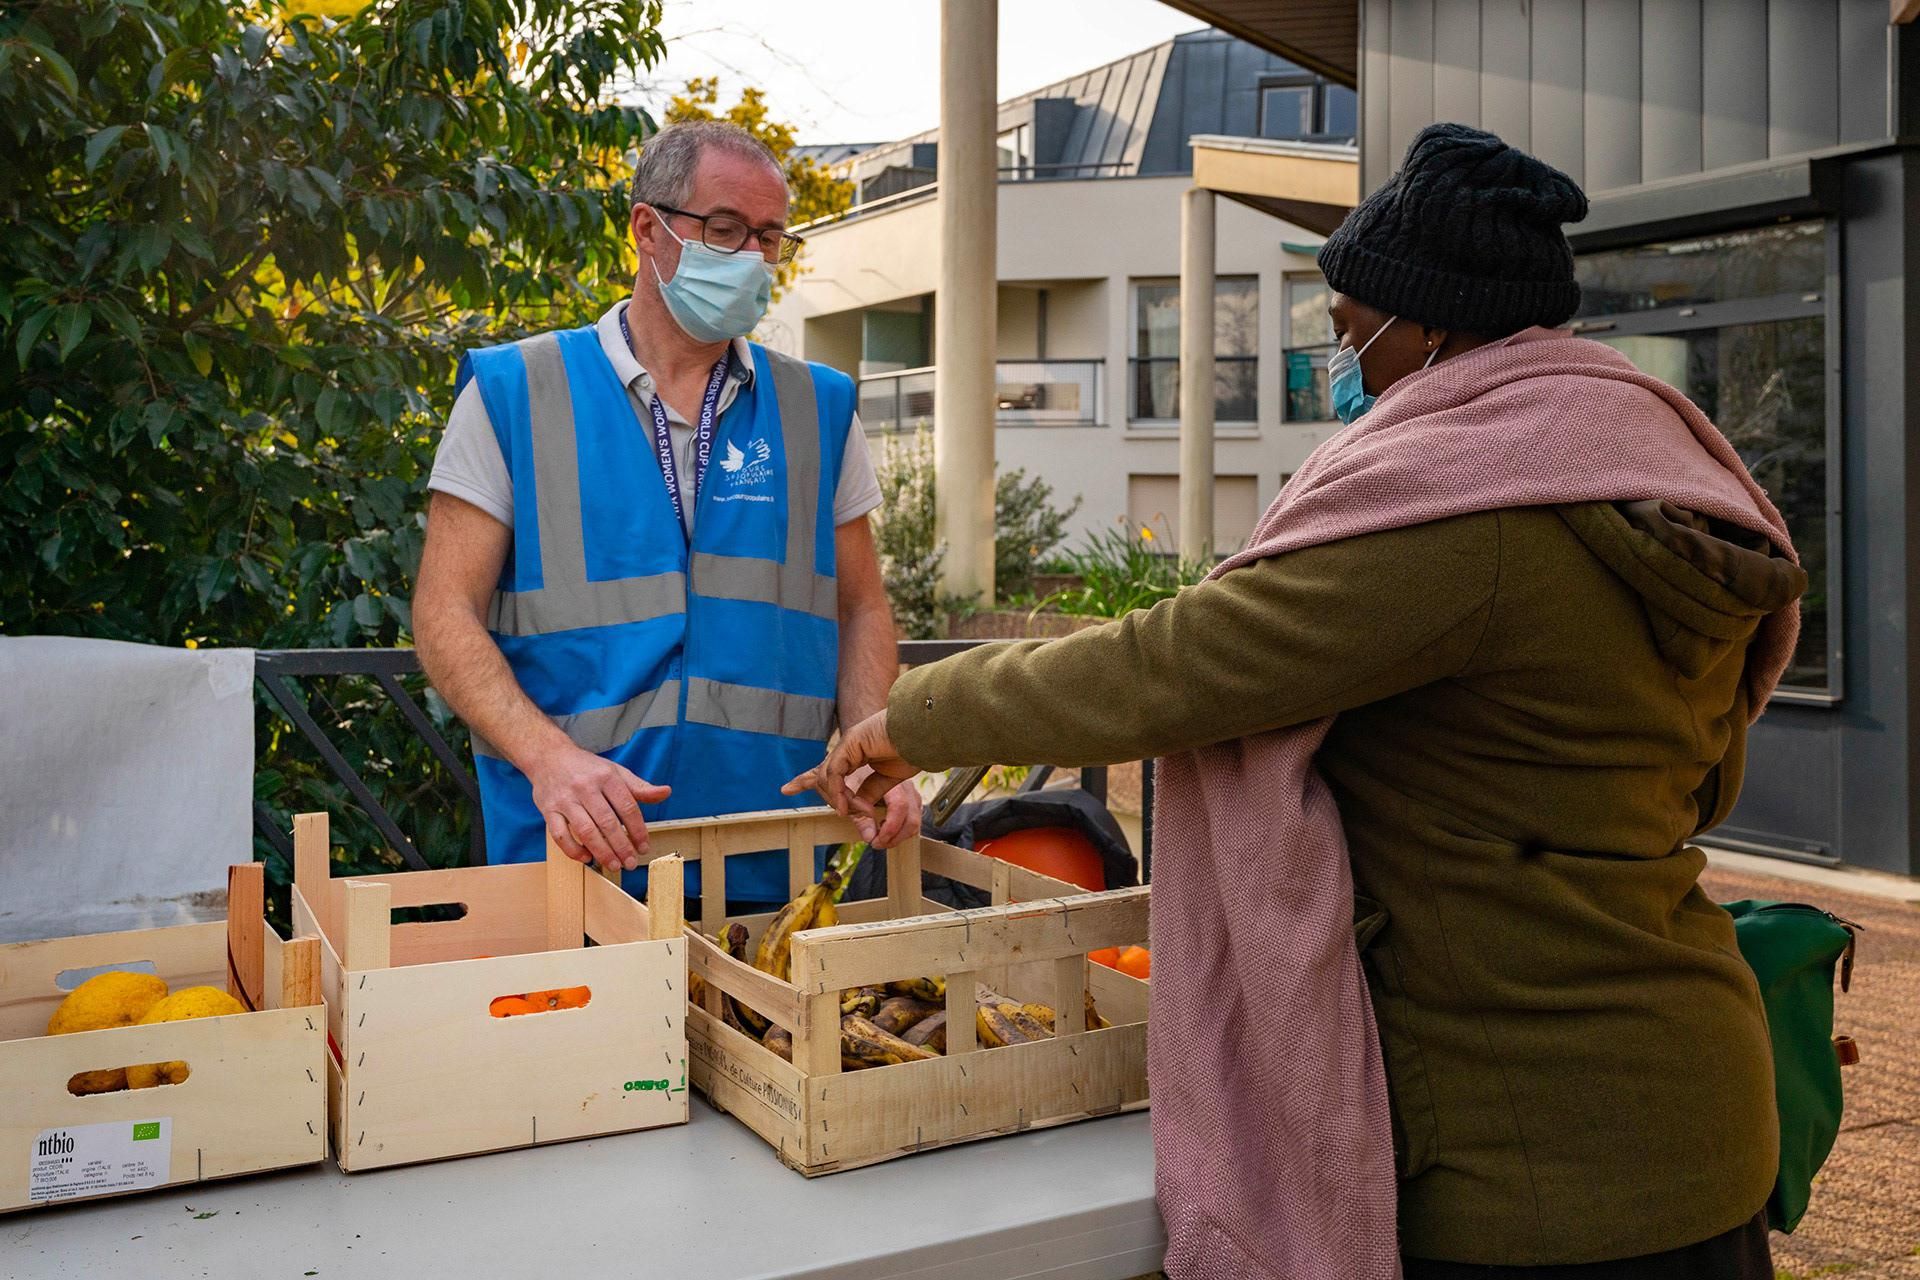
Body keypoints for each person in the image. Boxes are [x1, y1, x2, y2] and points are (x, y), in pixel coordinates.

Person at [787, 123, 1801, 1280]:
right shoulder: (1650, 478)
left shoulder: (1471, 526)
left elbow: (1171, 667)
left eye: (1349, 327)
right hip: (1693, 1107)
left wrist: (914, 717)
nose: (1345, 357)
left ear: (1428, 325)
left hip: (1535, 1153)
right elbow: (1701, 784)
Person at [415, 120, 921, 911]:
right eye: (725, 229)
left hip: (768, 851)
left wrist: (870, 742)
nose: (751, 258)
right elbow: (444, 612)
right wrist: (549, 759)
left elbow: (862, 607)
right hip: (576, 852)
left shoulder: (819, 407)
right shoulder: (515, 392)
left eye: (769, 237)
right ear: (647, 229)